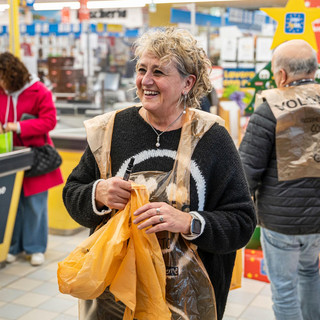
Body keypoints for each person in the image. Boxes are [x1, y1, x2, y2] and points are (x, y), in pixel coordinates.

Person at [63, 27, 255, 320]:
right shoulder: (111, 130)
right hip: (117, 294)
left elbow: (242, 221)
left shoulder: (212, 138)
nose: (146, 80)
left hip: (188, 300)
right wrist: (97, 193)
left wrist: (190, 222)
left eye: (159, 72)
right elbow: (73, 192)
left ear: (188, 83)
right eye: (141, 69)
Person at [239, 39, 320, 320]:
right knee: (311, 274)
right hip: (318, 222)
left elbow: (246, 171)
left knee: (285, 290)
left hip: (281, 222)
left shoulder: (269, 109)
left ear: (282, 76)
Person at [0, 52, 63, 266]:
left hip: (36, 157)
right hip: (10, 156)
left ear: (12, 74)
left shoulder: (39, 92)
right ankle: (13, 246)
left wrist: (17, 126)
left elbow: (49, 121)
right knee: (12, 205)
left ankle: (36, 248)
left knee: (35, 204)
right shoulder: (1, 92)